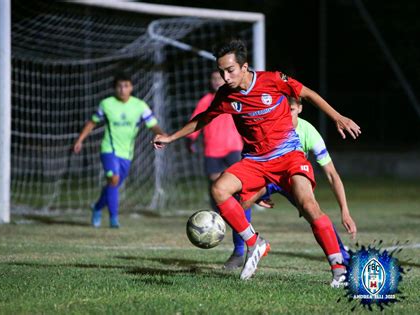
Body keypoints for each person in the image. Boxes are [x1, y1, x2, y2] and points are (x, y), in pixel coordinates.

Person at [153, 39, 361, 285]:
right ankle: (254, 243)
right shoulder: (226, 95)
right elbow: (203, 119)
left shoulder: (272, 80)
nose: (225, 77)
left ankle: (339, 268)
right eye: (221, 71)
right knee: (219, 190)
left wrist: (337, 117)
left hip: (288, 156)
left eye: (230, 70)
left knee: (309, 206)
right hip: (255, 161)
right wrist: (171, 137)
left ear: (244, 67)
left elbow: (307, 93)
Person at [240, 96, 356, 270]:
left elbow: (331, 174)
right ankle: (240, 251)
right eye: (282, 110)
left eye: (291, 110)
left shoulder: (308, 131)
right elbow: (250, 160)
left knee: (312, 210)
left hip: (293, 178)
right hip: (270, 177)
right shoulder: (268, 127)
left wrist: (345, 211)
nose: (286, 115)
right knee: (241, 200)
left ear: (300, 109)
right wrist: (255, 192)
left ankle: (342, 256)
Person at [74, 72, 165, 228]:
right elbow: (92, 122)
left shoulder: (139, 106)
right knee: (114, 179)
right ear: (115, 88)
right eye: (119, 86)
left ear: (131, 87)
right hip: (108, 149)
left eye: (126, 86)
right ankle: (114, 219)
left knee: (113, 184)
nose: (122, 89)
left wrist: (161, 134)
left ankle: (97, 207)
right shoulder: (106, 104)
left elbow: (152, 124)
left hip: (127, 154)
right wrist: (80, 140)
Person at [186, 70, 251, 270]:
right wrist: (191, 139)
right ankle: (220, 214)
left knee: (237, 189)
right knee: (215, 185)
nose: (217, 81)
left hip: (233, 147)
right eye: (213, 78)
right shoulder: (206, 100)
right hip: (212, 148)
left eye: (219, 78)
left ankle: (236, 229)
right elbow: (197, 119)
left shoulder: (234, 97)